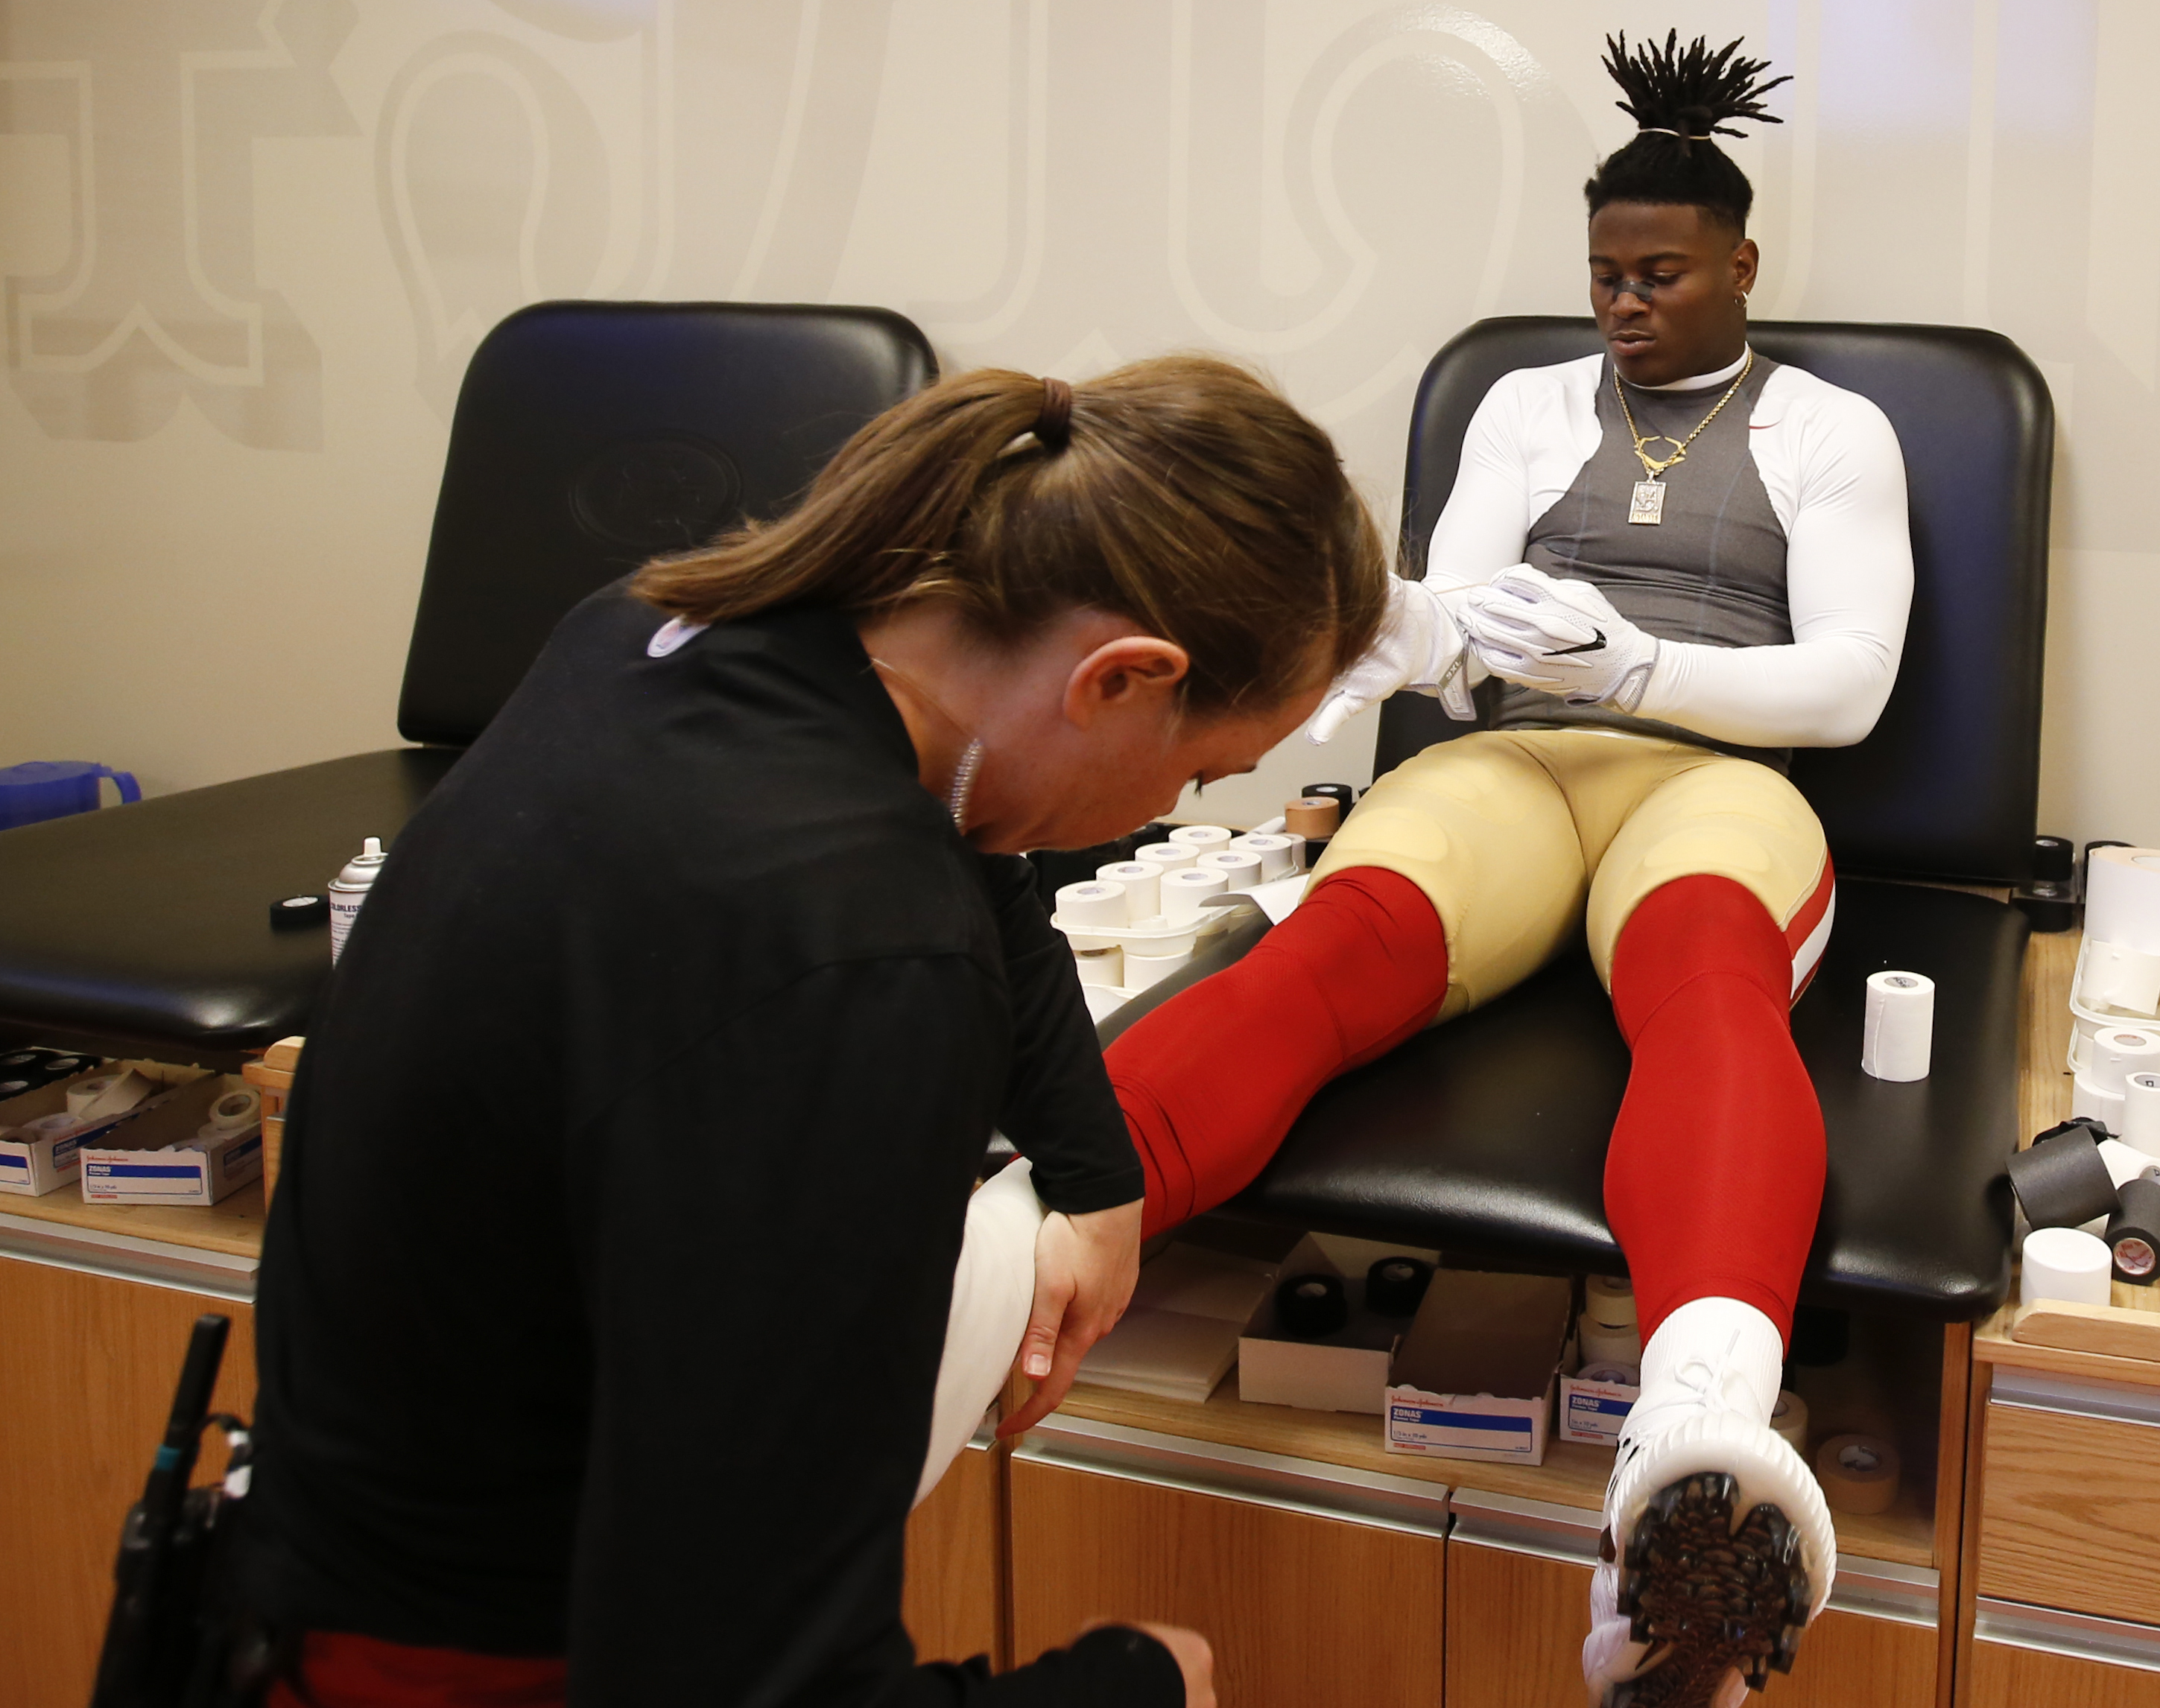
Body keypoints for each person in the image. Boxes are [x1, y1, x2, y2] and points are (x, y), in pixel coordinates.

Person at [248, 359, 1388, 1708]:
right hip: (471, 1656)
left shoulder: (663, 632)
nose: (1181, 798)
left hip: (314, 1536)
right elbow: (753, 1687)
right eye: (1199, 771)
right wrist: (1145, 1680)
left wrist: (1099, 1178)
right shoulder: (864, 964)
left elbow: (979, 857)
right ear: (1124, 678)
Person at [1060, 34, 1913, 1708]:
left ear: (1741, 265)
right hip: (1508, 764)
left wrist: (1635, 668)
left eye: (1658, 274)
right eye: (1600, 273)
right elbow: (1448, 626)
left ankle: (1697, 1447)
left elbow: (1848, 678)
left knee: (1703, 981)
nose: (1621, 303)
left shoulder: (1831, 429)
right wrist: (1437, 635)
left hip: (1715, 780)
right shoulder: (1524, 406)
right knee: (1330, 949)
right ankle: (1024, 1241)